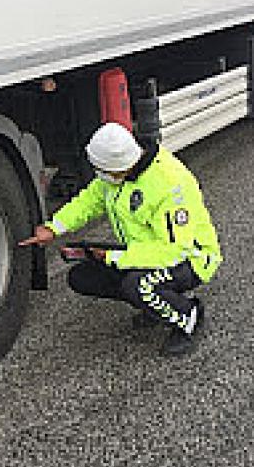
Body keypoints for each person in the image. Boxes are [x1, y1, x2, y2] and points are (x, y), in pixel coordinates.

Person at [20, 122, 222, 356]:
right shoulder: (117, 173)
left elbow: (174, 250)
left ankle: (189, 316)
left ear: (118, 167)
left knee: (139, 286)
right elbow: (90, 200)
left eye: (101, 170)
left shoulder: (169, 185)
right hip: (143, 250)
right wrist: (54, 227)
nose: (98, 175)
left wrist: (115, 257)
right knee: (83, 277)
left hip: (191, 257)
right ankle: (156, 304)